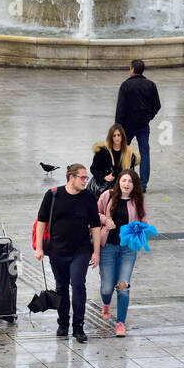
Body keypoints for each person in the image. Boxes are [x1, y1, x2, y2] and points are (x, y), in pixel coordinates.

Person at [35, 163, 100, 343]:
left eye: (86, 178)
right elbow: (41, 222)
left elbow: (95, 225)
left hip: (81, 250)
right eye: (82, 177)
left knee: (78, 285)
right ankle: (63, 323)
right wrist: (39, 248)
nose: (85, 181)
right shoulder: (53, 194)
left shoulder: (88, 197)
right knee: (61, 287)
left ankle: (78, 326)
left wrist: (96, 252)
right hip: (57, 250)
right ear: (71, 177)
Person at [97, 169, 146, 336]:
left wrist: (139, 231)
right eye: (124, 180)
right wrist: (106, 220)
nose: (126, 184)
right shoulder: (107, 196)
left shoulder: (138, 200)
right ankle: (106, 303)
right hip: (107, 247)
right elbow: (95, 214)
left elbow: (144, 220)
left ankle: (120, 323)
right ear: (119, 182)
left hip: (128, 249)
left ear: (134, 185)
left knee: (123, 286)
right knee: (106, 288)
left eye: (130, 182)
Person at [115, 58, 161, 193]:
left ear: (132, 70)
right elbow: (157, 105)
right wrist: (148, 117)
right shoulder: (151, 85)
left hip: (127, 126)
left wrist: (117, 127)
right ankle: (143, 185)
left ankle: (121, 180)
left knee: (121, 152)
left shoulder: (126, 85)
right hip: (143, 125)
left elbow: (121, 108)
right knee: (145, 153)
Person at [89, 122, 139, 195]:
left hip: (122, 186)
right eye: (114, 136)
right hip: (104, 187)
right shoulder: (103, 151)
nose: (117, 138)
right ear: (110, 137)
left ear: (122, 137)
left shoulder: (129, 153)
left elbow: (131, 173)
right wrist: (104, 177)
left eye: (119, 135)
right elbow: (93, 168)